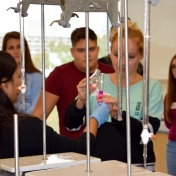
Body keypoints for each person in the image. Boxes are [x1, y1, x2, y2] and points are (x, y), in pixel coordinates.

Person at [64, 21, 164, 171]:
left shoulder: (151, 87)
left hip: (137, 166)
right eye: (117, 55)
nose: (122, 62)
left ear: (141, 55)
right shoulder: (97, 81)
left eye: (130, 56)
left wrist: (119, 115)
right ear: (110, 51)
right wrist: (81, 100)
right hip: (99, 164)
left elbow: (148, 133)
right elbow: (71, 126)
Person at [0, 51, 109, 159]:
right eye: (19, 76)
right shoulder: (29, 129)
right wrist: (95, 118)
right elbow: (80, 150)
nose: (21, 83)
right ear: (5, 86)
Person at [32, 27, 114, 138]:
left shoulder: (112, 72)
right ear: (72, 52)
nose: (87, 55)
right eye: (81, 50)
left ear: (98, 49)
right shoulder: (59, 75)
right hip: (71, 150)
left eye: (91, 49)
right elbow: (38, 117)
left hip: (107, 148)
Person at [2, 31, 42, 114]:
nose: (16, 51)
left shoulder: (38, 77)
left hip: (29, 125)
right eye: (11, 48)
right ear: (5, 51)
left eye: (19, 47)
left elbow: (37, 111)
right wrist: (26, 106)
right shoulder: (2, 77)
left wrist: (15, 108)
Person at [164, 54, 176, 175]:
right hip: (173, 146)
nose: (175, 70)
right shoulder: (170, 96)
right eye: (173, 67)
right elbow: (168, 123)